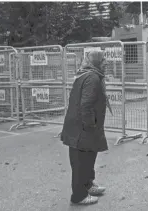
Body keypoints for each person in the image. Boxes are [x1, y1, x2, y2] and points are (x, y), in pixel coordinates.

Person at [61, 50, 111, 205]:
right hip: (82, 129)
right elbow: (86, 105)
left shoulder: (86, 74)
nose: (106, 63)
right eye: (103, 60)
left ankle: (88, 185)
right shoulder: (92, 78)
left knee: (88, 158)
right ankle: (79, 196)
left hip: (82, 127)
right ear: (95, 62)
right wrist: (91, 125)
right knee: (81, 162)